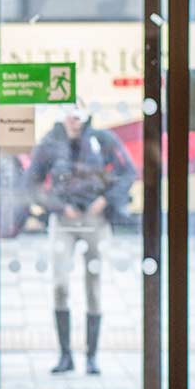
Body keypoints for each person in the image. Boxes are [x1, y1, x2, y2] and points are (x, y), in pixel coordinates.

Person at [26, 102, 136, 375]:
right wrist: (59, 207)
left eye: (78, 116)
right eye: (69, 115)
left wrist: (106, 200)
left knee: (94, 287)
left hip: (96, 220)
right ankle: (65, 356)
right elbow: (31, 182)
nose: (74, 121)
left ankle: (92, 357)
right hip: (64, 220)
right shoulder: (50, 143)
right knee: (60, 285)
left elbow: (127, 172)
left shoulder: (102, 140)